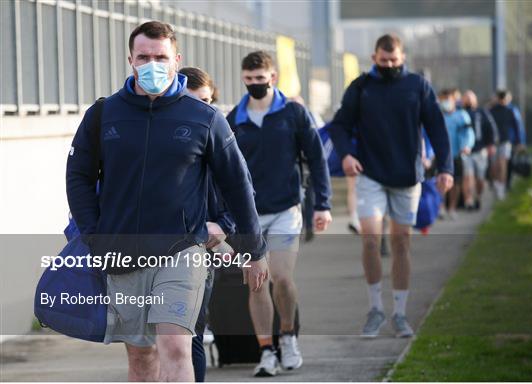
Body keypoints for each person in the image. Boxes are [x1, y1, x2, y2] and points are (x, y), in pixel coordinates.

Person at [66, 21, 268, 382]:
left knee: (175, 345)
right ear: (130, 59)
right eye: (143, 57)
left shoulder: (204, 118)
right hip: (122, 251)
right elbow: (79, 177)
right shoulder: (103, 115)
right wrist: (92, 234)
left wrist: (253, 248)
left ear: (177, 59)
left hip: (182, 250)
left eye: (160, 57)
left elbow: (238, 184)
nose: (152, 64)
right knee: (142, 358)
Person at [329, 34, 453, 338]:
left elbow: (437, 127)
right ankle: (375, 309)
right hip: (370, 173)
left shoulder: (417, 86)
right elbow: (340, 124)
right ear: (374, 58)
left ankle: (399, 312)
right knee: (370, 239)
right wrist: (346, 155)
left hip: (407, 177)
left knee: (401, 243)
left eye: (394, 61)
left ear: (403, 57)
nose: (389, 66)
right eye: (383, 61)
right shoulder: (361, 87)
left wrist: (446, 168)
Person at [226, 51, 332, 377]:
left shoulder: (294, 114)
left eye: (261, 79)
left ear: (273, 78)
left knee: (282, 279)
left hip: (286, 209)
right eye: (250, 79)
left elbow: (316, 159)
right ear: (243, 78)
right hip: (249, 217)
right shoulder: (233, 120)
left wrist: (324, 204)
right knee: (257, 284)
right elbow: (223, 171)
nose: (256, 84)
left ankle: (287, 336)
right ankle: (266, 350)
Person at [178, 66, 233, 382]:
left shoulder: (221, 138)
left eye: (206, 101)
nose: (200, 109)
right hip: (152, 248)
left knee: (190, 335)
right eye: (191, 101)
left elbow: (240, 190)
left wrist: (224, 225)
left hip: (201, 248)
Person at [439, 89, 475, 218]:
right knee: (440, 182)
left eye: (448, 99)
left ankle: (452, 208)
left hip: (457, 155)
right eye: (444, 99)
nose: (446, 102)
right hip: (441, 156)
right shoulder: (437, 115)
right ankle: (441, 207)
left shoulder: (462, 115)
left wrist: (467, 146)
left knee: (456, 183)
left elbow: (469, 134)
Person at [462, 90, 498, 209]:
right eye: (466, 98)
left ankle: (478, 196)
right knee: (468, 176)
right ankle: (469, 200)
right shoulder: (461, 113)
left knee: (480, 178)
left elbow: (491, 127)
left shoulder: (481, 112)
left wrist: (491, 144)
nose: (468, 100)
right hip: (466, 151)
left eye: (470, 98)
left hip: (480, 150)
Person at [489, 90, 526, 199]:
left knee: (503, 163)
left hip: (506, 141)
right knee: (495, 165)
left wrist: (520, 141)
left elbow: (518, 126)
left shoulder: (511, 110)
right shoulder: (492, 110)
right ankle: (497, 183)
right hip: (494, 142)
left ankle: (502, 186)